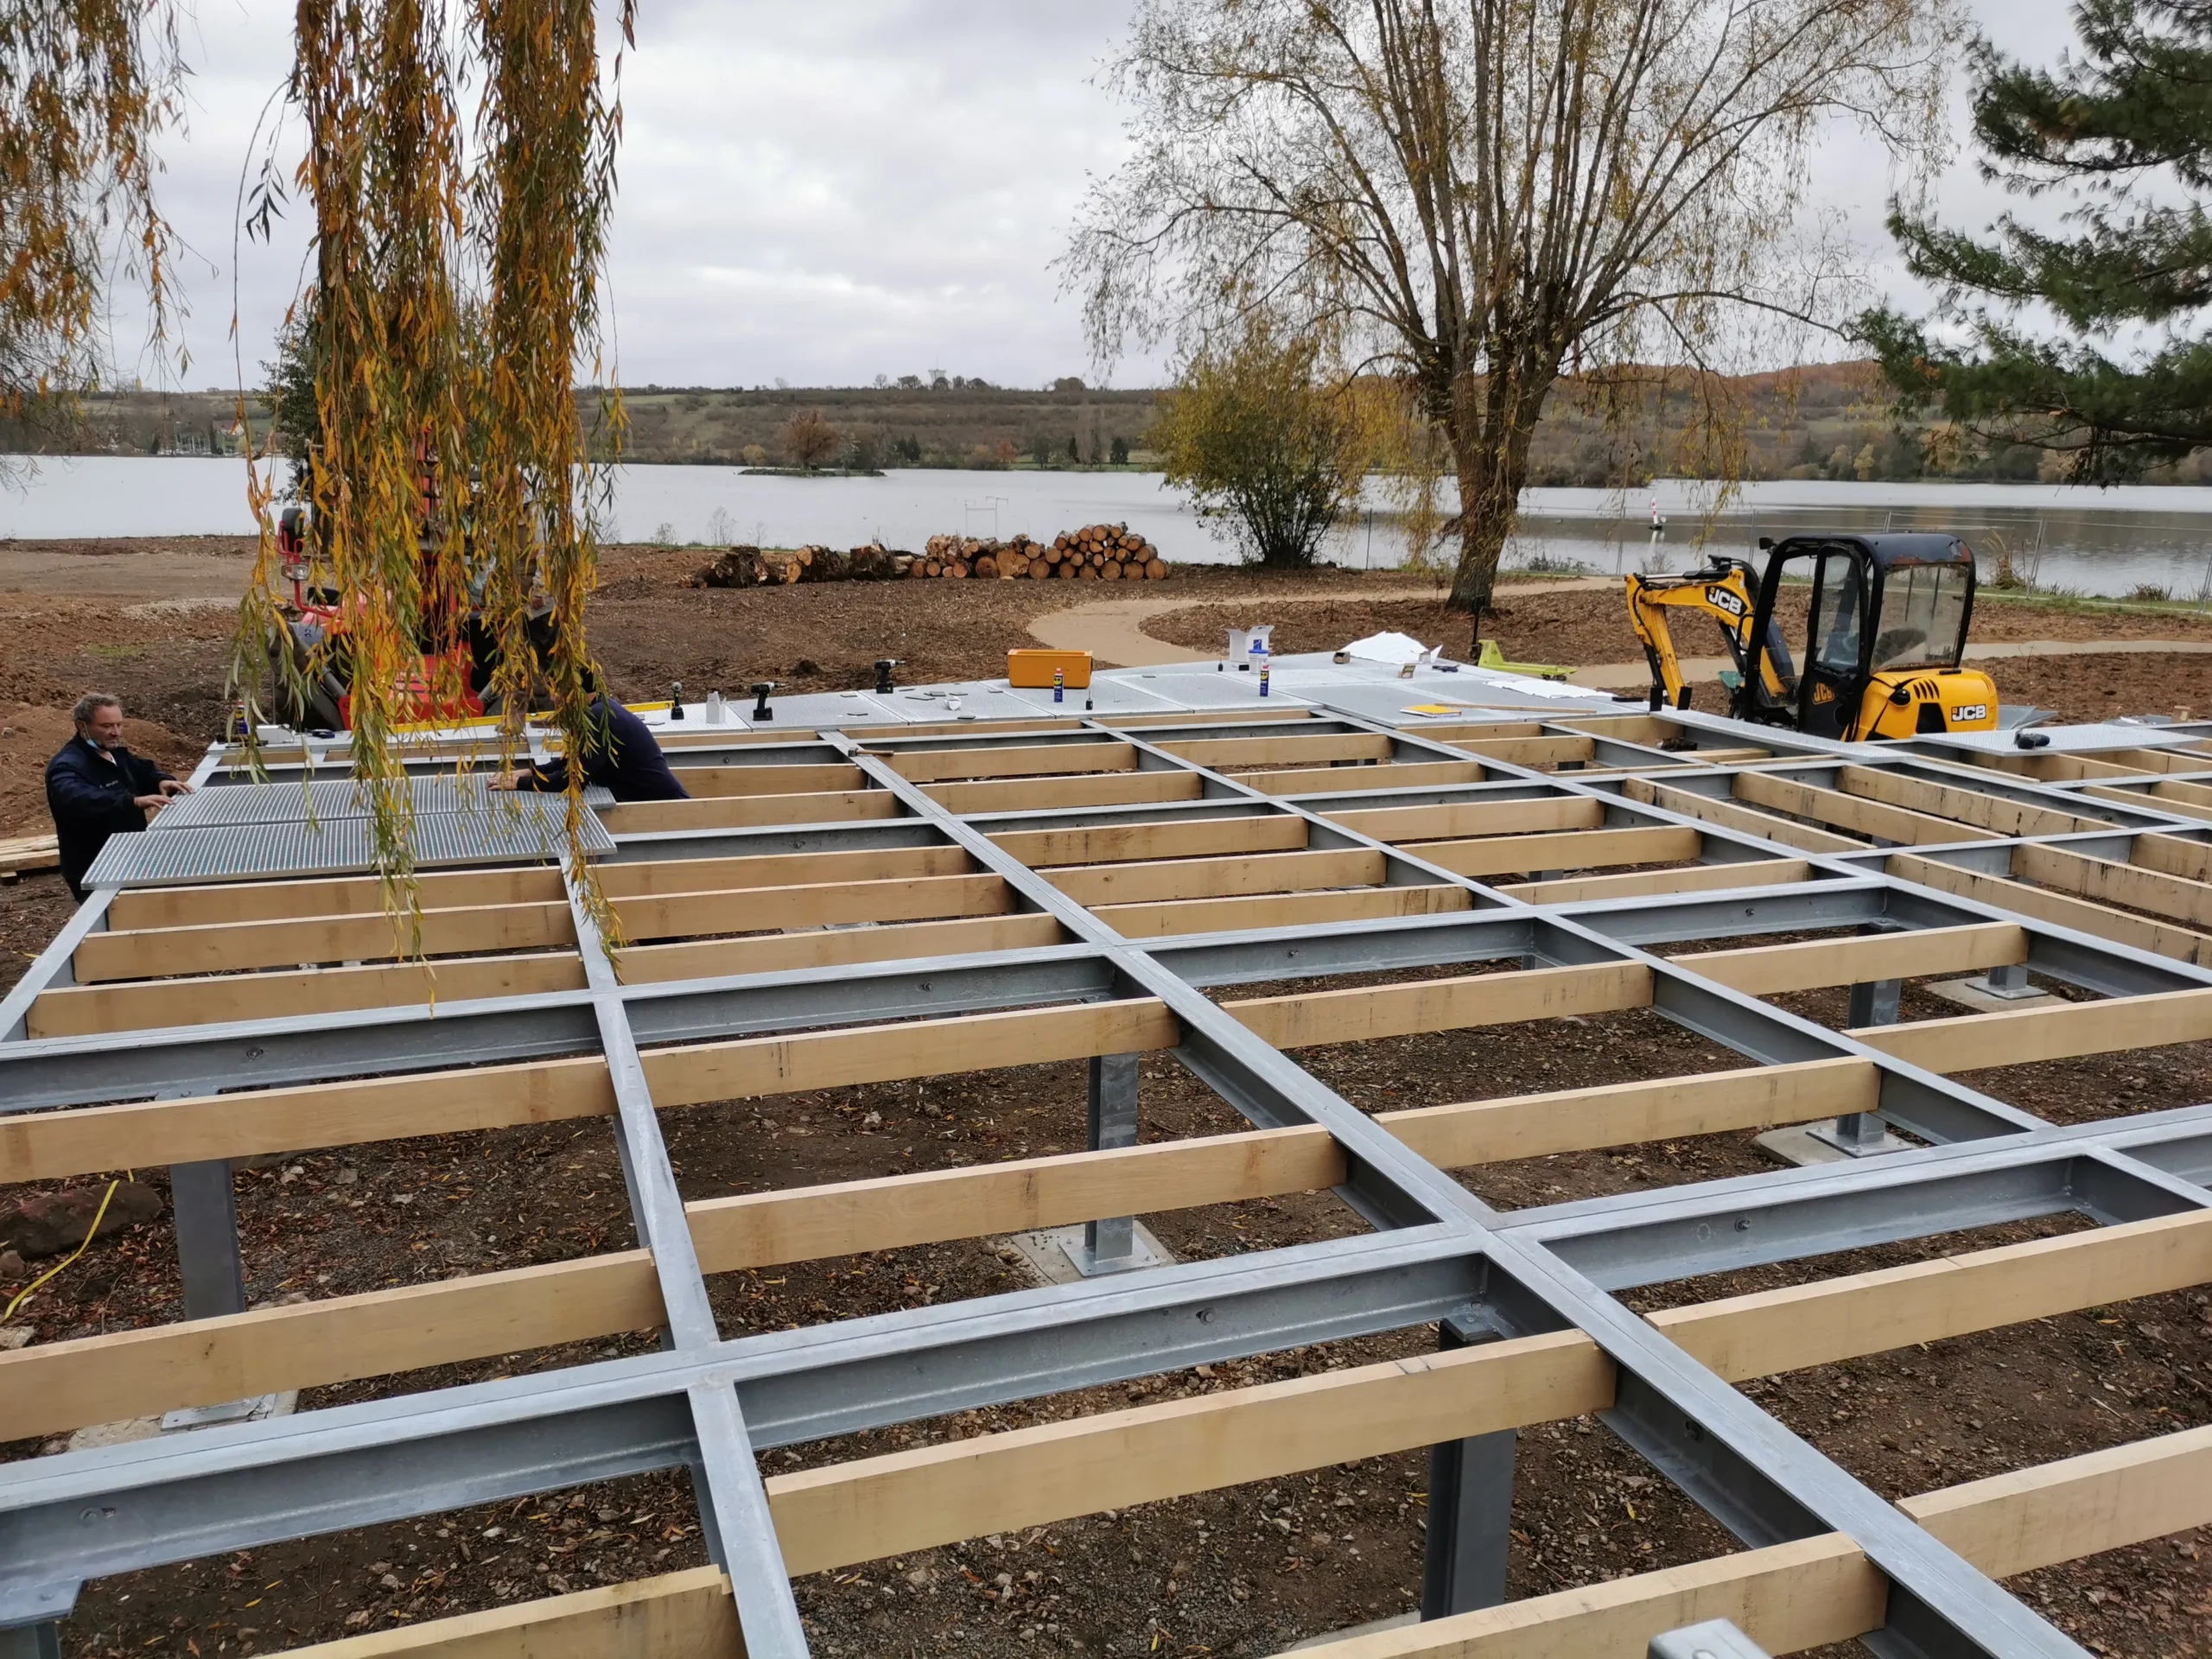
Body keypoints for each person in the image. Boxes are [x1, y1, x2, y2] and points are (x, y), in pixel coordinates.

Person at [46, 692, 192, 899]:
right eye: (106, 726)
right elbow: (77, 797)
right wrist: (131, 801)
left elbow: (141, 771)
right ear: (82, 726)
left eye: (119, 725)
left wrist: (160, 781)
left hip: (129, 855)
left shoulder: (113, 753)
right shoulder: (69, 765)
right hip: (95, 867)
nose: (115, 732)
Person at [491, 691, 690, 801]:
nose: (552, 697)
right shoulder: (600, 708)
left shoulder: (598, 717)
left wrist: (519, 784)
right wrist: (528, 772)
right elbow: (571, 762)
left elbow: (572, 781)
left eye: (558, 689)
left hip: (665, 810)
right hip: (643, 801)